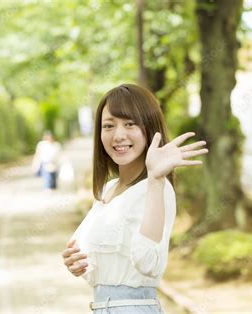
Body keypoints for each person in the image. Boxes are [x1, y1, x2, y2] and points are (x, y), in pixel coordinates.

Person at [61, 84, 208, 313]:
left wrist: (156, 180)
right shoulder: (108, 189)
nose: (119, 135)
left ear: (148, 129)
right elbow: (88, 256)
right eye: (108, 126)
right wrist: (75, 263)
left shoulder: (157, 189)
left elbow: (149, 263)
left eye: (130, 124)